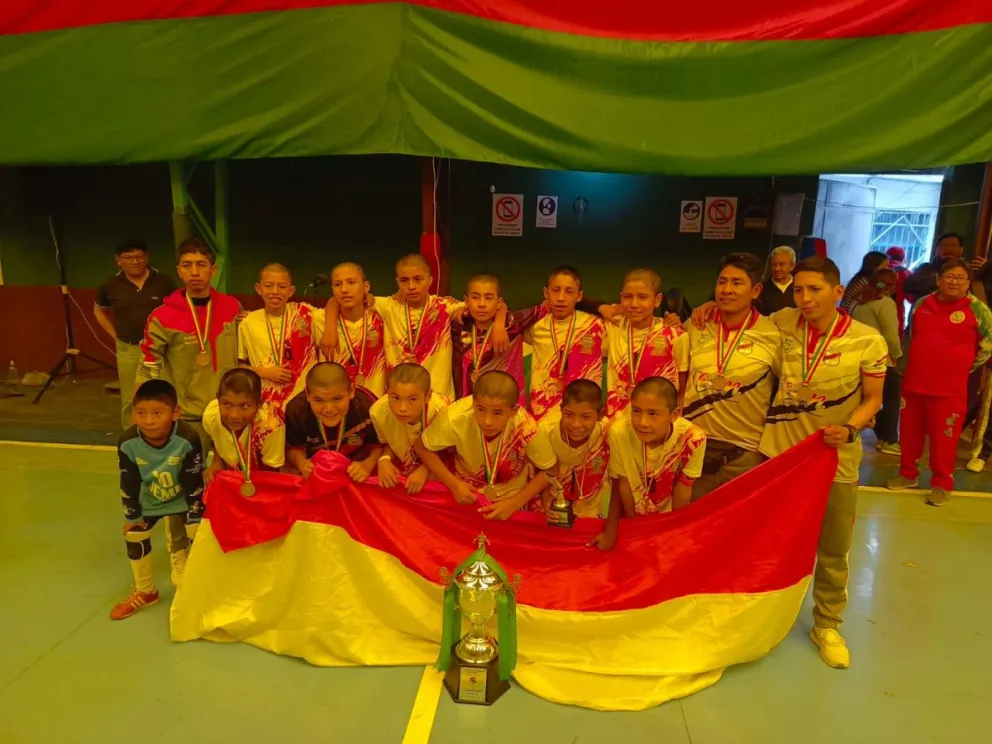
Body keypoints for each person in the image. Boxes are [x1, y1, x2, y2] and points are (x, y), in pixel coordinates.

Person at [760, 256, 886, 670]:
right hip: (779, 456)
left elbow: (874, 400)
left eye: (815, 289)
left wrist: (850, 430)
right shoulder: (781, 323)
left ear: (837, 291)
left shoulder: (868, 340)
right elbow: (737, 317)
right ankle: (763, 618)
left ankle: (827, 624)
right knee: (771, 543)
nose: (805, 298)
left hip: (834, 459)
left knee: (833, 549)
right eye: (799, 289)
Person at [320, 254, 506, 401]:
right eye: (404, 280)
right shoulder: (388, 306)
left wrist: (499, 325)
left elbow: (495, 305)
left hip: (437, 400)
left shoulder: (445, 306)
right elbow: (338, 300)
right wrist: (329, 328)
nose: (411, 286)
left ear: (430, 280)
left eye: (418, 279)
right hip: (400, 401)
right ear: (397, 282)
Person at [887, 259, 992, 505]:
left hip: (950, 390)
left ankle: (942, 483)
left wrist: (961, 367)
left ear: (968, 282)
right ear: (938, 280)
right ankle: (908, 475)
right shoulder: (923, 304)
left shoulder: (979, 310)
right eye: (949, 277)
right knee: (910, 435)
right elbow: (912, 337)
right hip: (914, 384)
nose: (954, 282)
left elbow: (987, 346)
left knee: (944, 439)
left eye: (960, 278)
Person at [683, 253, 781, 499]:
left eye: (737, 283)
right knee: (691, 529)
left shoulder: (773, 334)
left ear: (756, 290)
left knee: (740, 532)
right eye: (722, 281)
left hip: (745, 455)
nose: (726, 290)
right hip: (695, 448)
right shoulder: (695, 325)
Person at [111, 380, 204, 620]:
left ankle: (199, 590)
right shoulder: (128, 442)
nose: (148, 421)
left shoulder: (188, 437)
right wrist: (132, 516)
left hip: (184, 499)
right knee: (134, 533)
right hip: (151, 500)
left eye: (157, 413)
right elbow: (128, 482)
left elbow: (194, 483)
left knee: (200, 533)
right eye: (141, 413)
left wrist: (195, 516)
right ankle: (146, 591)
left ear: (175, 413)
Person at [136, 238, 241, 450]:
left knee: (233, 477)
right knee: (190, 476)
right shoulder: (163, 316)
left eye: (201, 265)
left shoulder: (233, 307)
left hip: (230, 412)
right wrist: (143, 411)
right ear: (179, 271)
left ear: (213, 270)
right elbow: (149, 366)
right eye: (187, 265)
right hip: (189, 415)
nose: (194, 272)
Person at [414, 370, 557, 521]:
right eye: (480, 409)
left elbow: (551, 469)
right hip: (464, 492)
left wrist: (514, 503)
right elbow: (421, 446)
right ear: (473, 403)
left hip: (511, 497)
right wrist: (453, 484)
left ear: (514, 411)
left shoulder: (525, 427)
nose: (487, 421)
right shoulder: (455, 417)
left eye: (497, 413)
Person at [592, 377, 706, 550]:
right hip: (632, 516)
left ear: (674, 415)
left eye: (653, 414)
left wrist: (675, 533)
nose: (642, 422)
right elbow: (621, 483)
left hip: (666, 518)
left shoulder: (693, 439)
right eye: (636, 411)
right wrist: (615, 530)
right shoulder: (619, 432)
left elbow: (682, 490)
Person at [93, 239, 177, 429]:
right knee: (131, 398)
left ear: (146, 258)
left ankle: (168, 435)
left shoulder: (164, 281)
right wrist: (115, 336)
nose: (135, 261)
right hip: (129, 349)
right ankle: (131, 440)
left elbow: (179, 309)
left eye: (139, 257)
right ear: (118, 260)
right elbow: (98, 310)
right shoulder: (111, 285)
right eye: (129, 258)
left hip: (162, 350)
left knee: (167, 393)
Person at [511, 265, 606, 421]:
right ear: (545, 293)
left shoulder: (596, 326)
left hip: (581, 415)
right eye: (555, 290)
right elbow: (504, 322)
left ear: (579, 296)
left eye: (569, 292)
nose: (561, 298)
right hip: (542, 414)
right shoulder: (535, 326)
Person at [238, 264, 321, 417]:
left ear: (291, 291)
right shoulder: (248, 322)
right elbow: (239, 364)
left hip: (305, 401)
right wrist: (264, 372)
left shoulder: (306, 314)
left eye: (282, 286)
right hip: (266, 404)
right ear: (258, 288)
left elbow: (337, 311)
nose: (275, 292)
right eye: (268, 286)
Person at [604, 268, 689, 418]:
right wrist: (601, 307)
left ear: (657, 300)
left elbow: (683, 388)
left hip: (658, 424)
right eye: (627, 297)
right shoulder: (612, 326)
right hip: (617, 422)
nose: (634, 304)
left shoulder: (675, 335)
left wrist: (677, 418)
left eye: (643, 297)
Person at [284, 361, 382, 482]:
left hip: (357, 471)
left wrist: (368, 464)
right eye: (319, 400)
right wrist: (302, 464)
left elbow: (380, 446)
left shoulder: (369, 406)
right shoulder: (295, 411)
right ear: (307, 394)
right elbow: (293, 449)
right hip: (317, 473)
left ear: (351, 391)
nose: (329, 409)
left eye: (337, 399)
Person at [538, 379, 611, 518]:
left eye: (586, 417)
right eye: (569, 414)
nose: (576, 424)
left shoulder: (607, 432)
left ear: (600, 414)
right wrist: (544, 499)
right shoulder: (546, 431)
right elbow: (538, 471)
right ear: (561, 409)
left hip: (590, 511)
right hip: (551, 508)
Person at [370, 362, 448, 494]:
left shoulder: (441, 411)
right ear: (386, 391)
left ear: (427, 396)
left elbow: (449, 453)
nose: (402, 408)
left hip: (438, 470)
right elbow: (387, 443)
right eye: (395, 398)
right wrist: (384, 459)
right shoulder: (377, 412)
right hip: (403, 470)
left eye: (412, 399)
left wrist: (426, 469)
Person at [849, 267, 902, 455]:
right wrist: (896, 355)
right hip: (881, 360)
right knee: (889, 400)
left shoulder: (858, 300)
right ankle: (888, 440)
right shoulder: (885, 303)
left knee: (865, 399)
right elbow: (890, 335)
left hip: (857, 358)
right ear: (891, 285)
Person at [202, 368, 285, 487]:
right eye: (227, 404)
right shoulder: (210, 416)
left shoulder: (271, 426)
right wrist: (216, 462)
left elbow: (273, 472)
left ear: (259, 403)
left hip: (263, 480)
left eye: (245, 406)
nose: (234, 415)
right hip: (232, 475)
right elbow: (216, 440)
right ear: (218, 399)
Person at [315, 262, 387, 398]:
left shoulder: (383, 316)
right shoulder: (319, 319)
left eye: (351, 282)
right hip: (334, 405)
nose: (344, 289)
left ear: (366, 287)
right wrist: (330, 327)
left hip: (376, 404)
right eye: (337, 284)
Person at [451, 273, 524, 400]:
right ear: (466, 301)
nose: (482, 304)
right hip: (462, 405)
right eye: (475, 297)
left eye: (489, 298)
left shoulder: (511, 324)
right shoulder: (456, 324)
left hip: (501, 402)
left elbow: (546, 308)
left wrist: (500, 323)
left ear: (499, 302)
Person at [902, 232, 965, 302]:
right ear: (936, 250)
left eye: (953, 246)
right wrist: (939, 278)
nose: (948, 249)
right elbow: (908, 285)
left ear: (961, 250)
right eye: (943, 246)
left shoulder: (967, 271)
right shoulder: (925, 268)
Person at [758, 245, 797, 314]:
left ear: (792, 266)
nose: (777, 268)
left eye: (782, 264)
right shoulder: (761, 289)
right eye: (774, 264)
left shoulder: (800, 287)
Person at [885, 246, 910, 332]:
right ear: (903, 259)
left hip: (875, 309)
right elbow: (911, 298)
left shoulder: (879, 269)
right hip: (895, 312)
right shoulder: (905, 273)